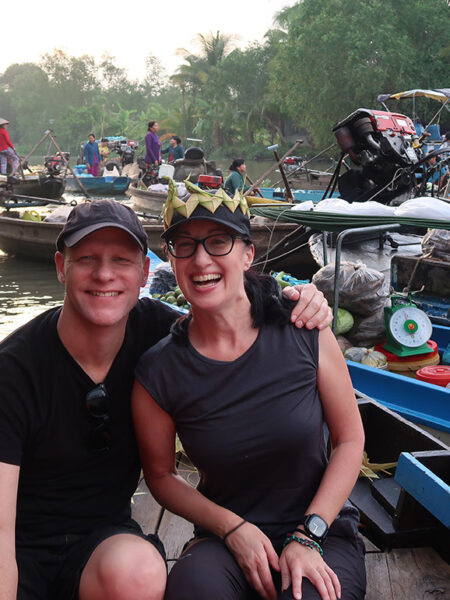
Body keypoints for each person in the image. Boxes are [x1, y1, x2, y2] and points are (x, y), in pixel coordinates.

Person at [0, 198, 331, 600]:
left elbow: (230, 325)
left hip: (102, 544)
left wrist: (300, 299)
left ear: (144, 273)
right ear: (60, 267)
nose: (104, 275)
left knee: (139, 572)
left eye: (121, 260)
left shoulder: (159, 333)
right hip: (18, 544)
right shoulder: (15, 369)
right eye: (86, 258)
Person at [132, 189, 366, 600]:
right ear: (171, 260)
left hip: (320, 528)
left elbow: (350, 440)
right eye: (184, 246)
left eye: (218, 241)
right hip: (224, 541)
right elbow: (161, 476)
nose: (201, 259)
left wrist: (308, 535)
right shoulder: (159, 370)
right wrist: (231, 528)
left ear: (247, 254)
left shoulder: (303, 330)